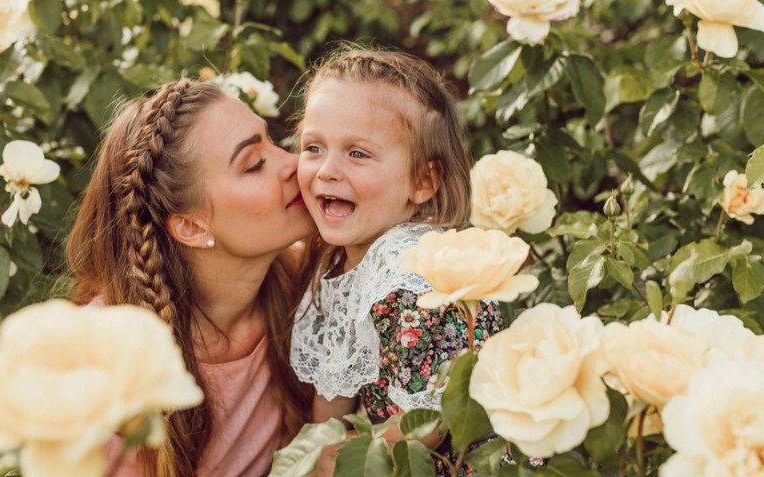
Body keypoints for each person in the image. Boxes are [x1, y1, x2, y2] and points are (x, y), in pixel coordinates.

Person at [66, 79, 316, 477]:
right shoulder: (100, 365)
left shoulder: (310, 281)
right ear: (191, 227)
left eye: (274, 142)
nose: (294, 164)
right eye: (254, 164)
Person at [289, 48, 503, 474]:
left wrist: (329, 457)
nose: (327, 170)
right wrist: (314, 447)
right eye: (313, 147)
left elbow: (428, 428)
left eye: (358, 154)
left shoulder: (412, 278)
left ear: (423, 181)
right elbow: (333, 392)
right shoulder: (345, 261)